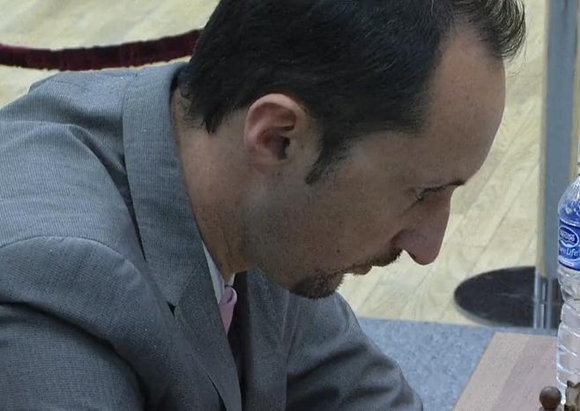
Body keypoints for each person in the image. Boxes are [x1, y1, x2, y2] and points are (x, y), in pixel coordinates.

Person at [0, 0, 526, 409]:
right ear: (277, 138)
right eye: (423, 192)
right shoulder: (57, 283)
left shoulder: (264, 202)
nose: (428, 248)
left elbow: (360, 396)